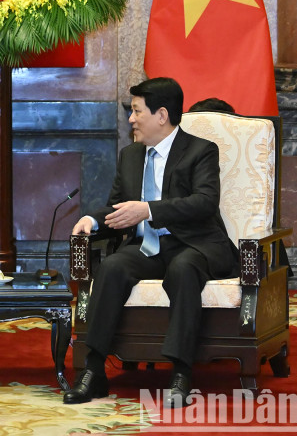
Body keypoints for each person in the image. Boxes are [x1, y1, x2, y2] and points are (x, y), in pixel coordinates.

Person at [64, 77, 238, 408]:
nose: (131, 119)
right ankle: (94, 371)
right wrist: (93, 220)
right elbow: (118, 206)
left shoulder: (200, 151)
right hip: (149, 247)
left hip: (196, 244)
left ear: (161, 115)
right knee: (112, 266)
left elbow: (204, 203)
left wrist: (147, 209)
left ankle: (180, 373)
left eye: (136, 111)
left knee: (183, 268)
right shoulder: (130, 156)